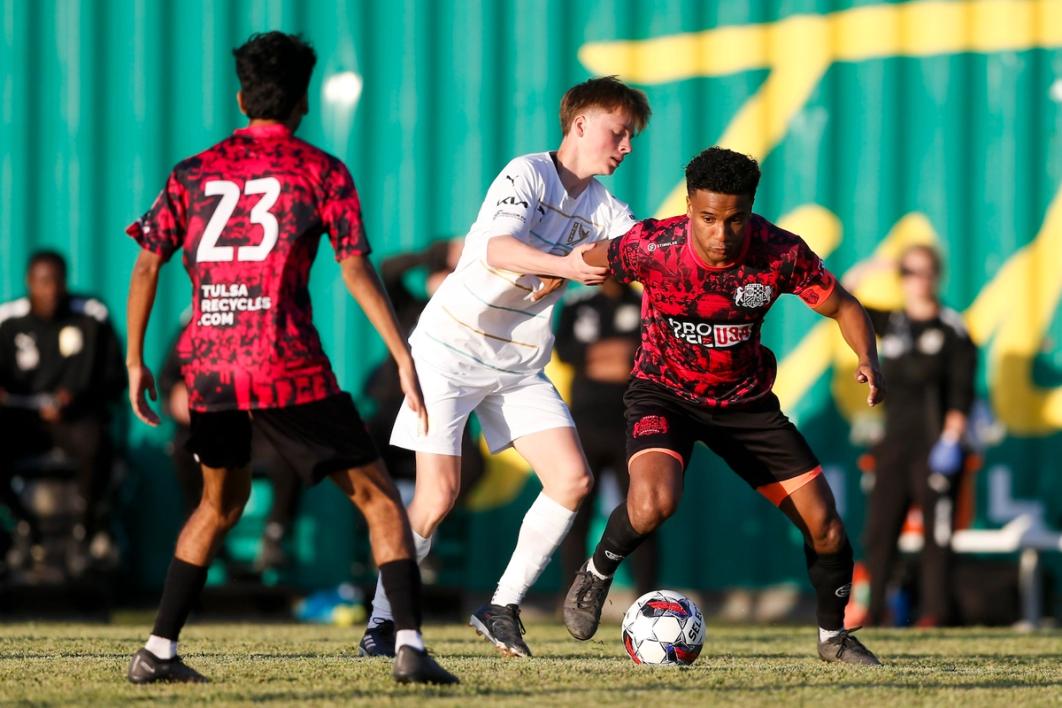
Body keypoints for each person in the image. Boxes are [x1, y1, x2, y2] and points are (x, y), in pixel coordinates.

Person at [122, 31, 456, 685]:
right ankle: (411, 647)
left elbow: (145, 265)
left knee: (217, 507)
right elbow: (357, 270)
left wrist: (137, 360)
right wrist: (402, 353)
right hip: (285, 364)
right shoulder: (321, 171)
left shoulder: (192, 171)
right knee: (382, 501)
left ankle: (157, 651)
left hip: (211, 366)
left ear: (241, 96)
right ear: (303, 100)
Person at [559, 147, 886, 666]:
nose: (721, 233)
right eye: (708, 218)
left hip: (745, 406)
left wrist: (867, 356)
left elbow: (844, 305)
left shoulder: (779, 253)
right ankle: (596, 574)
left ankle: (833, 639)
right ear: (689, 206)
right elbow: (591, 258)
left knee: (826, 529)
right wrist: (548, 274)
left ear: (750, 209)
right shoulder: (653, 245)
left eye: (735, 220)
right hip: (663, 394)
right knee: (652, 505)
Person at [359, 76, 651, 659]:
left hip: (516, 364)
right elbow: (498, 250)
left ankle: (501, 606)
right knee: (437, 495)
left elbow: (646, 250)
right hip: (448, 350)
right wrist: (567, 266)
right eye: (619, 133)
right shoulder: (528, 173)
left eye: (632, 138)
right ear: (580, 124)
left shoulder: (604, 207)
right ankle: (381, 621)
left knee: (572, 481)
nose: (626, 148)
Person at [849, 246, 977, 627]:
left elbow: (961, 390)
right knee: (881, 530)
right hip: (894, 444)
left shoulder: (952, 329)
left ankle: (934, 614)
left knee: (936, 538)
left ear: (936, 276)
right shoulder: (894, 324)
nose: (915, 280)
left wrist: (952, 440)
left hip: (935, 444)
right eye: (908, 272)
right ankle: (874, 613)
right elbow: (844, 296)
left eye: (923, 272)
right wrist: (880, 264)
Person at [0, 250, 125, 571]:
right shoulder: (9, 322)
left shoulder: (91, 317)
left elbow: (114, 378)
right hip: (23, 422)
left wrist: (78, 399)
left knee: (96, 441)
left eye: (56, 281)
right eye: (42, 282)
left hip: (75, 419)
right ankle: (20, 527)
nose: (50, 290)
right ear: (29, 283)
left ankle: (86, 531)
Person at [159, 326, 302, 574]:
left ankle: (276, 532)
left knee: (290, 448)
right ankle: (203, 533)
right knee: (184, 451)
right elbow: (170, 385)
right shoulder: (194, 328)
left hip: (260, 426)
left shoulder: (271, 325)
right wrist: (180, 399)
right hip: (211, 425)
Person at [554, 280, 658, 600]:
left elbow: (645, 354)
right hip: (585, 423)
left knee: (644, 511)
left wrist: (601, 356)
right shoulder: (577, 304)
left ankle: (647, 596)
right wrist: (618, 354)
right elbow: (566, 352)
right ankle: (571, 597)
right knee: (577, 513)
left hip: (632, 424)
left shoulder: (645, 304)